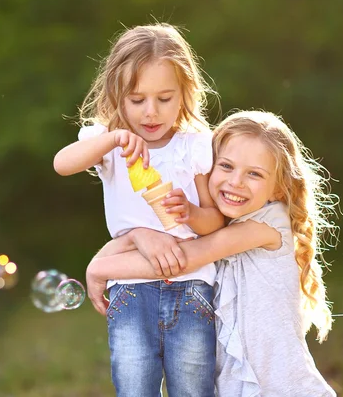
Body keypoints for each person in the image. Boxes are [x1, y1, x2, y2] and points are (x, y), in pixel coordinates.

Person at [86, 110, 338, 396]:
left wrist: (100, 270)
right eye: (226, 166)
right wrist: (138, 235)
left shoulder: (268, 223)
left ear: (279, 188)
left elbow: (182, 260)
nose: (236, 182)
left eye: (254, 174)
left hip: (281, 387)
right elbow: (171, 247)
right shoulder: (219, 226)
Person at [53, 23, 224, 396]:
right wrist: (111, 137)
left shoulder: (193, 146)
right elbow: (62, 164)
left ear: (185, 93)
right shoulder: (111, 145)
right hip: (130, 289)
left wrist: (191, 214)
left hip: (191, 286)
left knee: (194, 389)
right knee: (134, 388)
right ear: (117, 95)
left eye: (164, 99)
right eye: (137, 99)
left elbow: (215, 220)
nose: (151, 112)